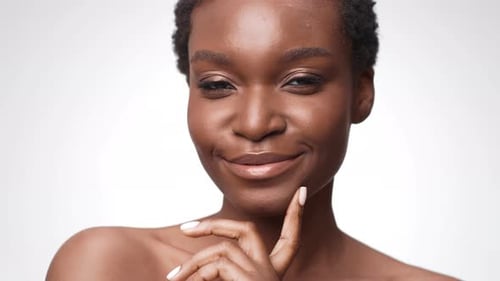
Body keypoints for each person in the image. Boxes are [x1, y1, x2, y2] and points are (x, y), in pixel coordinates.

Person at [46, 0, 457, 280]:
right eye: (218, 85)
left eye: (300, 81)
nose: (255, 123)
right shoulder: (109, 265)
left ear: (361, 92)